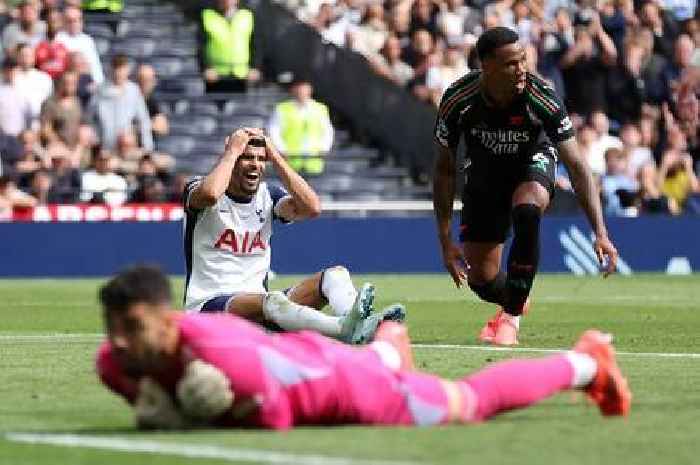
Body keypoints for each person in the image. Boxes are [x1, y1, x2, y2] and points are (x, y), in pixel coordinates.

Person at [96, 265, 631, 430]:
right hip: (308, 356)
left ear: (167, 321)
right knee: (359, 356)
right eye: (113, 327)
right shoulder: (114, 361)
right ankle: (387, 344)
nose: (120, 342)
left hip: (350, 390)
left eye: (134, 326)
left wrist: (190, 417)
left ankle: (587, 361)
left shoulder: (227, 367)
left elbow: (279, 417)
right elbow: (124, 372)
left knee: (469, 404)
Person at [433, 27, 618, 346]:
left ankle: (511, 319)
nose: (521, 69)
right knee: (481, 279)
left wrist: (599, 231)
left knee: (528, 209)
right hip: (483, 177)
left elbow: (576, 165)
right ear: (487, 66)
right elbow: (444, 170)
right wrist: (445, 239)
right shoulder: (458, 100)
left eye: (523, 60)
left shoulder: (541, 96)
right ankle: (514, 297)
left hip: (531, 163)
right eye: (511, 64)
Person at [183, 127, 401, 344]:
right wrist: (231, 151)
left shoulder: (268, 195)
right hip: (209, 309)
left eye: (261, 159)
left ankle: (361, 323)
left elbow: (312, 208)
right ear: (231, 157)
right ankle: (342, 328)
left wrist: (276, 156)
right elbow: (210, 194)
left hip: (261, 312)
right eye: (246, 157)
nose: (255, 165)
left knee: (336, 275)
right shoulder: (198, 188)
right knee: (273, 301)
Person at [268, 78, 334, 175]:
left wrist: (323, 148)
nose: (301, 91)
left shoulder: (320, 108)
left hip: (313, 161)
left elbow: (327, 131)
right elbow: (274, 131)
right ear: (293, 90)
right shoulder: (282, 109)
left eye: (304, 88)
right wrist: (282, 149)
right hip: (290, 161)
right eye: (299, 88)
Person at [200, 0, 261, 93]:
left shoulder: (248, 15)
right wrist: (206, 67)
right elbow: (201, 45)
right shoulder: (207, 15)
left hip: (241, 74)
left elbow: (256, 44)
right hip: (216, 75)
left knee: (242, 106)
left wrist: (255, 67)